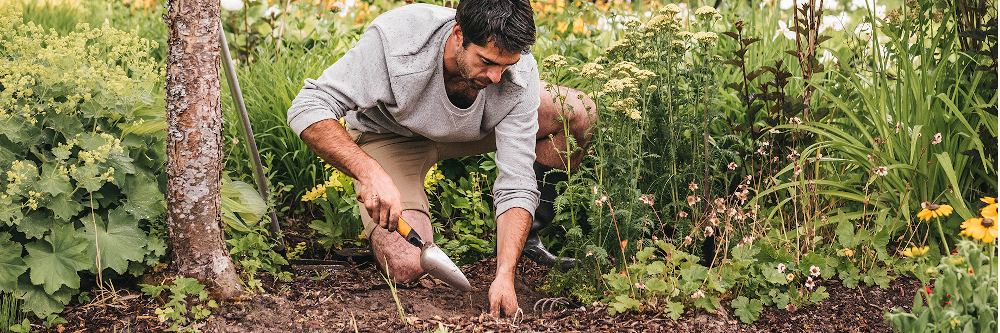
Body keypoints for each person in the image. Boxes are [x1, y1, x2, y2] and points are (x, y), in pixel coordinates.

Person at [287, 0, 593, 317]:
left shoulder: (513, 72)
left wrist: (505, 273)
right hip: (392, 136)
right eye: (486, 61)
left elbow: (516, 181)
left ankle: (527, 247)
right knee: (407, 265)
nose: (496, 77)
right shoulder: (398, 41)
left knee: (578, 113)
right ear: (458, 34)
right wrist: (369, 172)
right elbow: (309, 106)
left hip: (472, 132)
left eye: (506, 65)